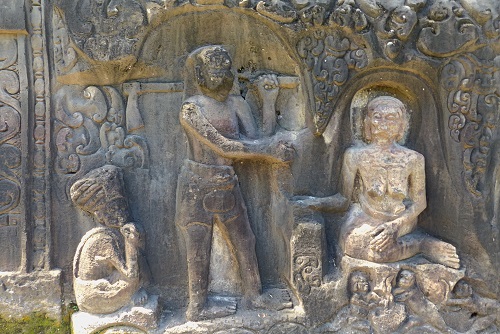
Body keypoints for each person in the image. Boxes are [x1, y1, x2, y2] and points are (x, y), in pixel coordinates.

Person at [176, 45, 293, 321]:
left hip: (227, 183)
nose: (219, 75)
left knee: (245, 240)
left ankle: (255, 295)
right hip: (196, 185)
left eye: (224, 69)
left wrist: (267, 99)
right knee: (197, 247)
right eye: (213, 70)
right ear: (200, 74)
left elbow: (256, 138)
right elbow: (224, 147)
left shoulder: (236, 104)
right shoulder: (191, 109)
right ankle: (197, 307)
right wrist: (269, 152)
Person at [339, 96, 460, 268]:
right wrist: (312, 204)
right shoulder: (354, 156)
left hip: (401, 219)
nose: (383, 123)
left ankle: (422, 245)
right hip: (365, 216)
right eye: (377, 117)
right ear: (368, 123)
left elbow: (419, 203)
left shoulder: (413, 158)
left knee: (378, 252)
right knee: (353, 244)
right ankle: (418, 245)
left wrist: (395, 226)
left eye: (391, 118)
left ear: (401, 125)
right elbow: (344, 199)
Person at [71, 165, 148, 314]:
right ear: (100, 215)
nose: (121, 213)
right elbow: (131, 274)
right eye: (114, 208)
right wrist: (131, 243)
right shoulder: (104, 240)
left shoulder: (110, 234)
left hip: (102, 286)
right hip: (95, 297)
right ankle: (129, 298)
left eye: (123, 206)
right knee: (134, 280)